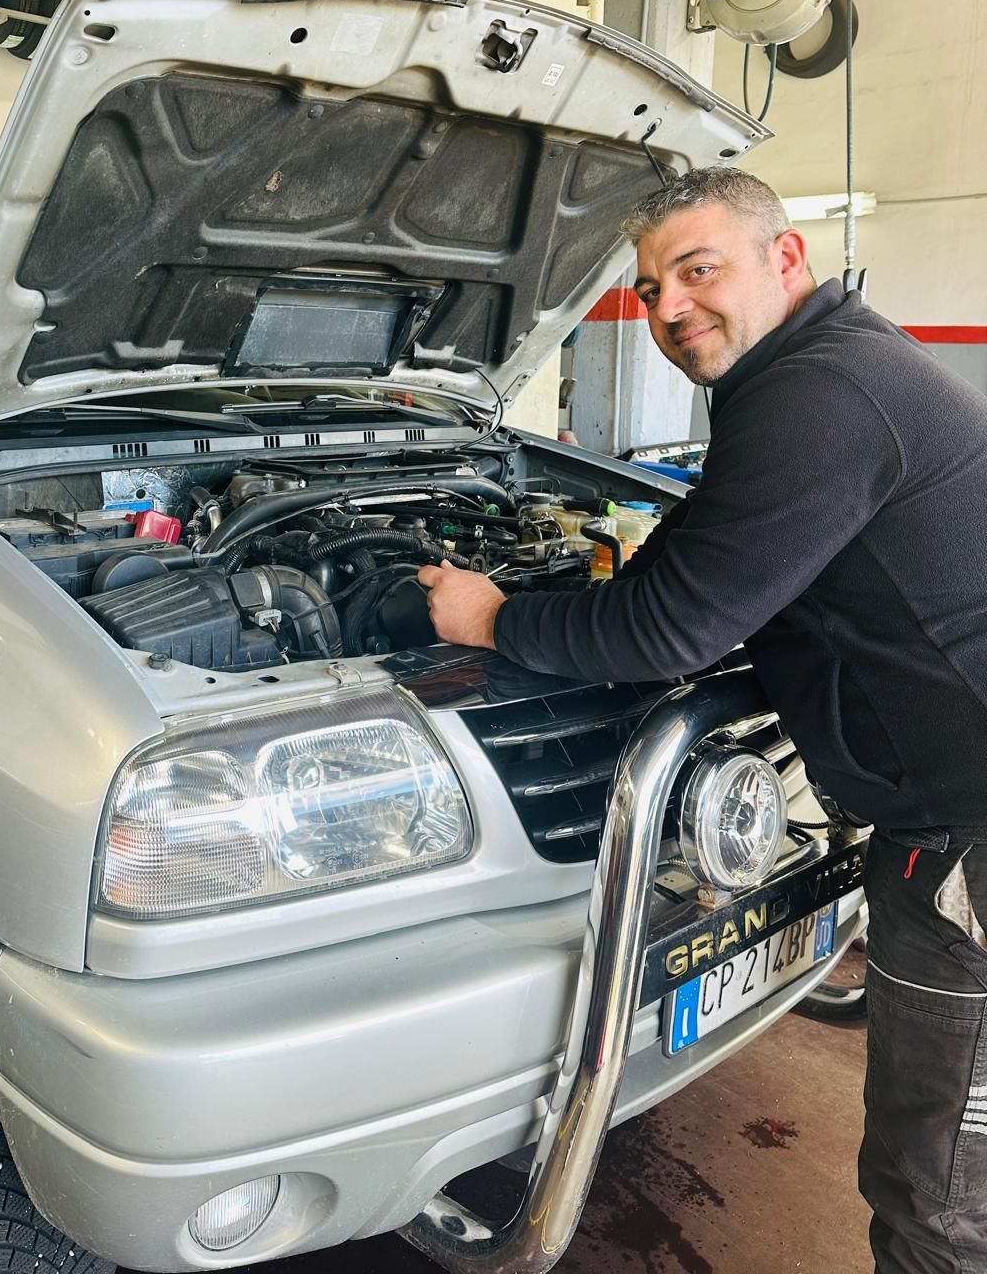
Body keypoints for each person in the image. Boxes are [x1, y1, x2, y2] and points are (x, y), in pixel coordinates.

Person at [419, 166, 987, 1274]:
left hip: (968, 838)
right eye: (649, 285)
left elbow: (668, 631)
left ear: (787, 260)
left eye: (698, 268)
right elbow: (701, 563)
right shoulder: (832, 369)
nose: (669, 305)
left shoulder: (822, 394)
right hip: (949, 812)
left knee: (939, 1192)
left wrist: (494, 616)